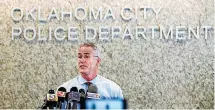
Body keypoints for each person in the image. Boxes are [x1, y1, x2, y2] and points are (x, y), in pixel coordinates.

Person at [58, 42, 123, 99]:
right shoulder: (65, 89)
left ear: (97, 61)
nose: (81, 60)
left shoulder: (113, 90)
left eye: (86, 56)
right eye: (80, 57)